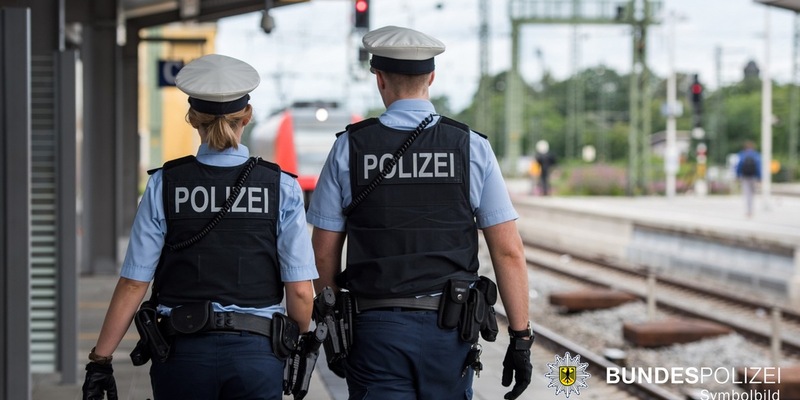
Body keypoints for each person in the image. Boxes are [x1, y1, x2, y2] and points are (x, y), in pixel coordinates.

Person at [305, 26, 533, 400]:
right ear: (431, 77)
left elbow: (322, 252)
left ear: (379, 80)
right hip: (450, 330)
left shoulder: (349, 148)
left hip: (374, 331)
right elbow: (508, 251)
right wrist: (521, 337)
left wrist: (333, 325)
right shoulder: (470, 147)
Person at [81, 54, 317, 400]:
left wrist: (100, 359)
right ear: (247, 116)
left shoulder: (165, 184)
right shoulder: (280, 186)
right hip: (256, 356)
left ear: (192, 119)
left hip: (183, 356)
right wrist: (298, 341)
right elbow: (299, 292)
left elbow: (134, 283)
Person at [735, 140, 762, 217]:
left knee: (747, 194)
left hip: (745, 177)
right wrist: (759, 177)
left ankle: (748, 211)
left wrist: (737, 176)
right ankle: (751, 210)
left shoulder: (742, 155)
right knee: (752, 194)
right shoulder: (756, 155)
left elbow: (738, 166)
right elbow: (758, 167)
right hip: (753, 177)